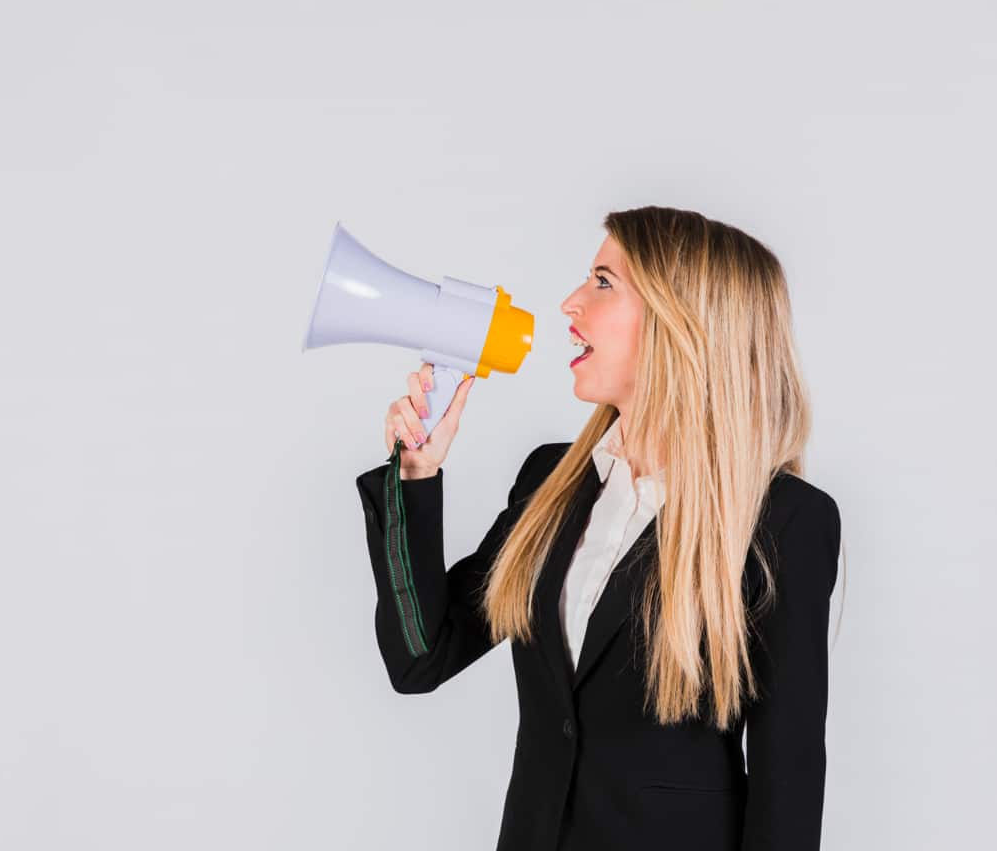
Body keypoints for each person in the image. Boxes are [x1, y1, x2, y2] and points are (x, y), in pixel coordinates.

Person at [355, 205, 844, 851]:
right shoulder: (550, 482)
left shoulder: (785, 523)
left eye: (603, 282)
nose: (569, 303)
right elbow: (420, 657)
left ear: (682, 321)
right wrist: (415, 474)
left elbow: (789, 787)